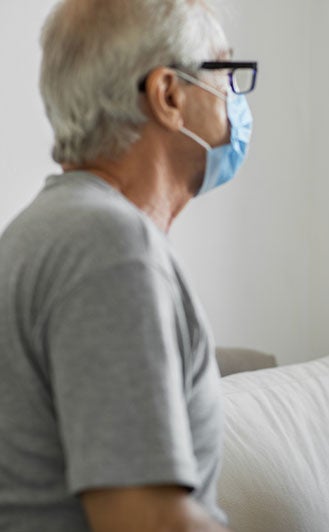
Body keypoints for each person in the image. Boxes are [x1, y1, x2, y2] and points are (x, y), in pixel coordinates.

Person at [0, 1, 256, 530]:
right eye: (225, 72)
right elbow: (146, 519)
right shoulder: (108, 246)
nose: (235, 96)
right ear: (168, 95)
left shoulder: (48, 228)